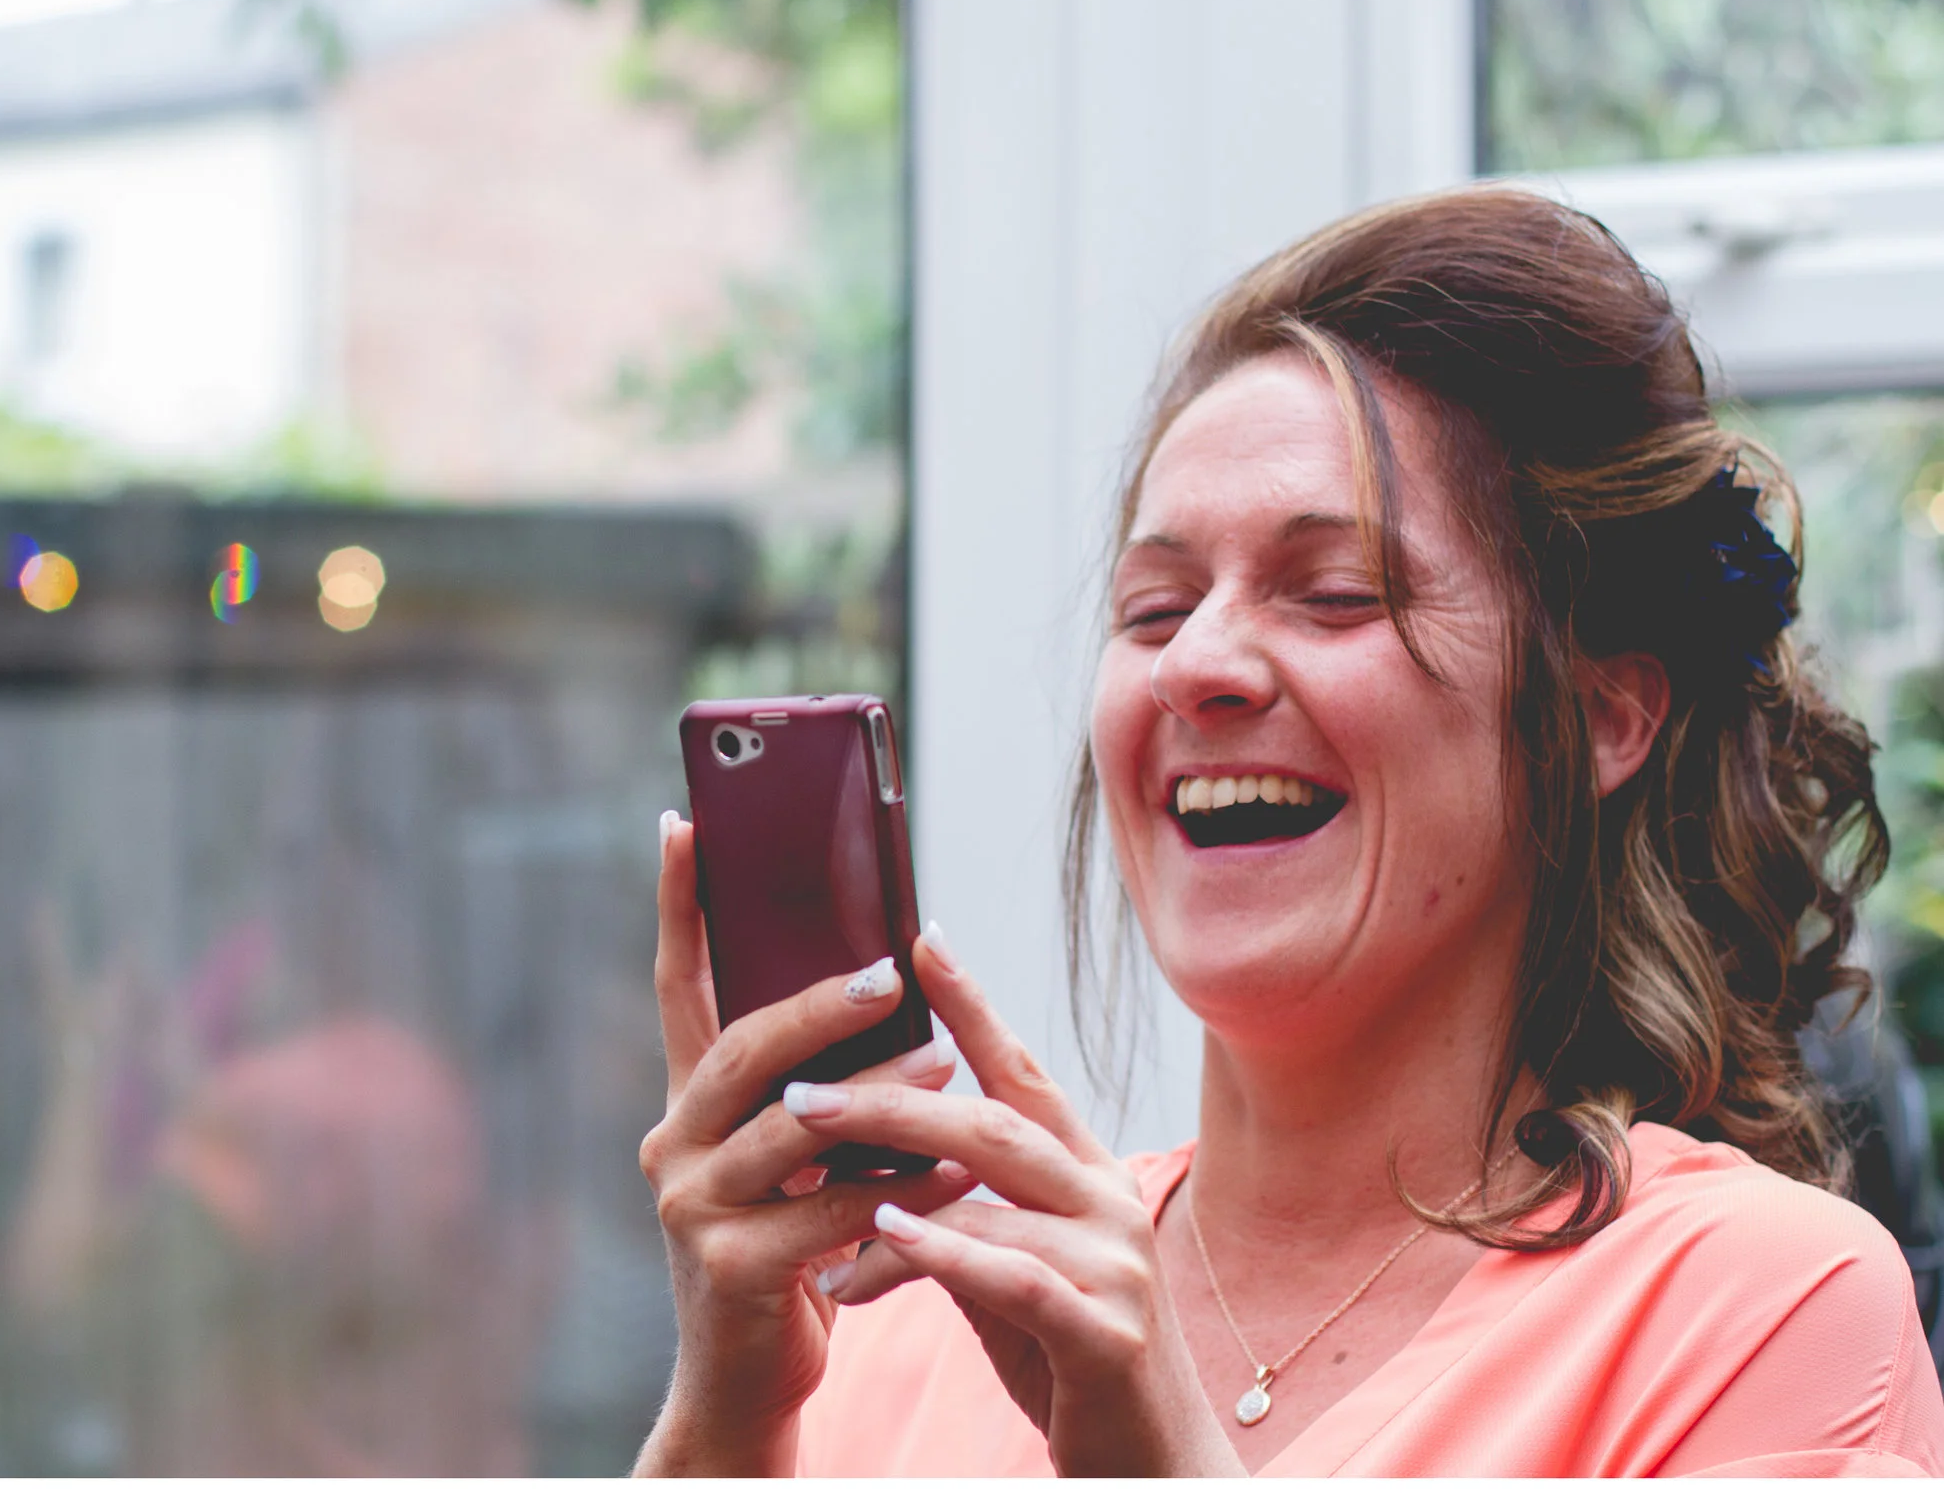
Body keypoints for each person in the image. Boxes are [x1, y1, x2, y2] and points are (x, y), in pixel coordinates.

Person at [632, 186, 1944, 1477]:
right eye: (1152, 609)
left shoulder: (1761, 1314)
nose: (1198, 664)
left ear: (1603, 714)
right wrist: (726, 1425)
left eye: (1330, 593)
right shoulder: (902, 1314)